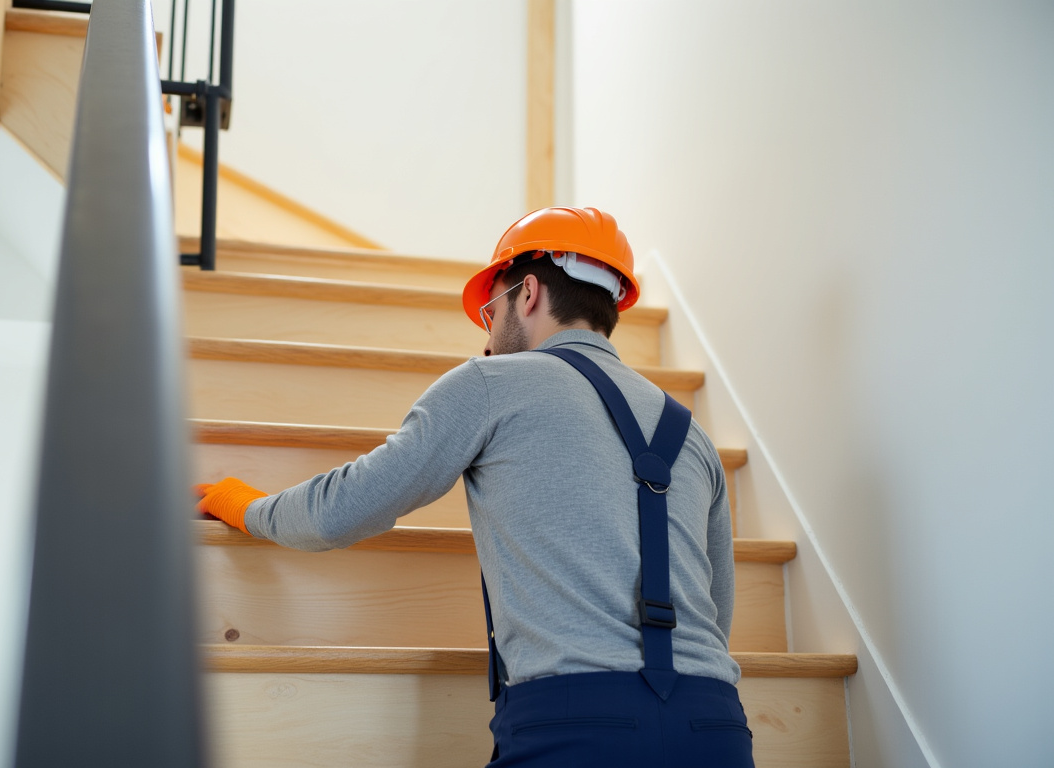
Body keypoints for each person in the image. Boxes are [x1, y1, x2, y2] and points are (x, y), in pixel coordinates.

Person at [196, 207, 754, 767]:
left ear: (528, 292)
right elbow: (716, 610)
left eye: (491, 310)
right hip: (715, 721)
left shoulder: (491, 384)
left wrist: (247, 507)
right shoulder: (693, 435)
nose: (488, 335)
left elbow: (340, 511)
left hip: (575, 721)